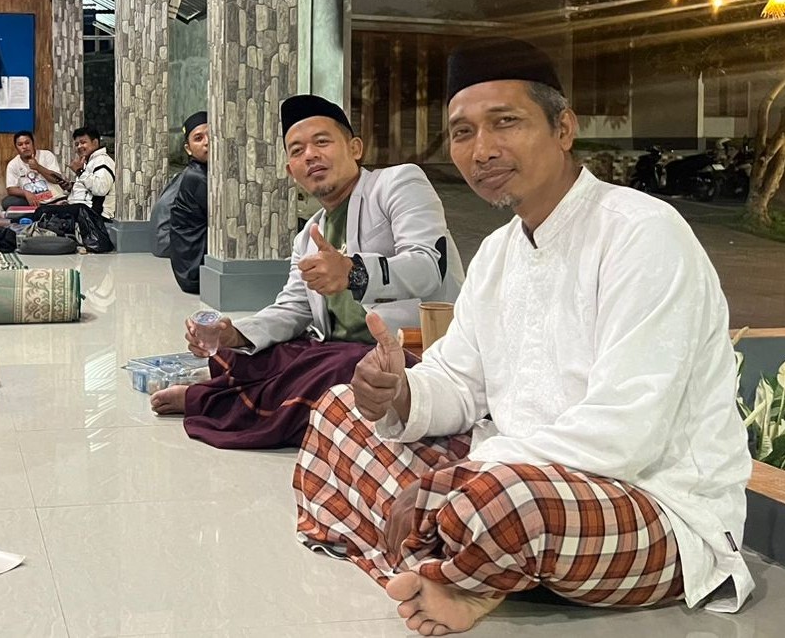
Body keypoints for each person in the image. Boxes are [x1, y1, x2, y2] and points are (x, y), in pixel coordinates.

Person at [294, 38, 753, 636]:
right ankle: (460, 565)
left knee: (505, 502)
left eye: (505, 122)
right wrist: (399, 393)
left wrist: (466, 476)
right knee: (339, 410)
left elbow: (627, 431)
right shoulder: (497, 252)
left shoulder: (642, 233)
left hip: (648, 502)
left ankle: (445, 558)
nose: (482, 150)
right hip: (515, 471)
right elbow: (459, 380)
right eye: (463, 133)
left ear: (563, 128)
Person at [151, 95, 463, 451]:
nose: (310, 156)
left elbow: (428, 265)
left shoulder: (397, 184)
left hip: (407, 346)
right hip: (336, 348)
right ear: (291, 171)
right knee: (246, 355)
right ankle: (218, 392)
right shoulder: (308, 236)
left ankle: (208, 398)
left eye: (322, 142)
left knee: (332, 367)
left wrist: (354, 272)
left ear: (355, 148)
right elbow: (293, 309)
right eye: (297, 151)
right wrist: (234, 333)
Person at [169, 111, 209, 294]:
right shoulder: (197, 177)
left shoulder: (203, 171)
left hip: (187, 271)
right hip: (194, 274)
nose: (207, 142)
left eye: (211, 135)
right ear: (188, 149)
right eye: (198, 138)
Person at [3, 129, 67, 209]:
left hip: (54, 199)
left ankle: (51, 207)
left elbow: (57, 179)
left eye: (27, 143)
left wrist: (38, 167)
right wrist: (26, 193)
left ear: (33, 144)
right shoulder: (13, 164)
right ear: (16, 148)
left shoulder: (47, 155)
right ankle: (41, 209)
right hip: (33, 201)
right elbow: (10, 189)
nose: (24, 147)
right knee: (7, 202)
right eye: (20, 144)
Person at [66, 125, 116, 218]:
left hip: (93, 215)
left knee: (43, 212)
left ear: (95, 142)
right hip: (82, 210)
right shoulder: (90, 161)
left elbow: (101, 189)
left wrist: (79, 171)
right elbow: (88, 189)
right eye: (76, 144)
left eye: (83, 142)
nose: (79, 147)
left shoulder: (103, 160)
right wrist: (71, 187)